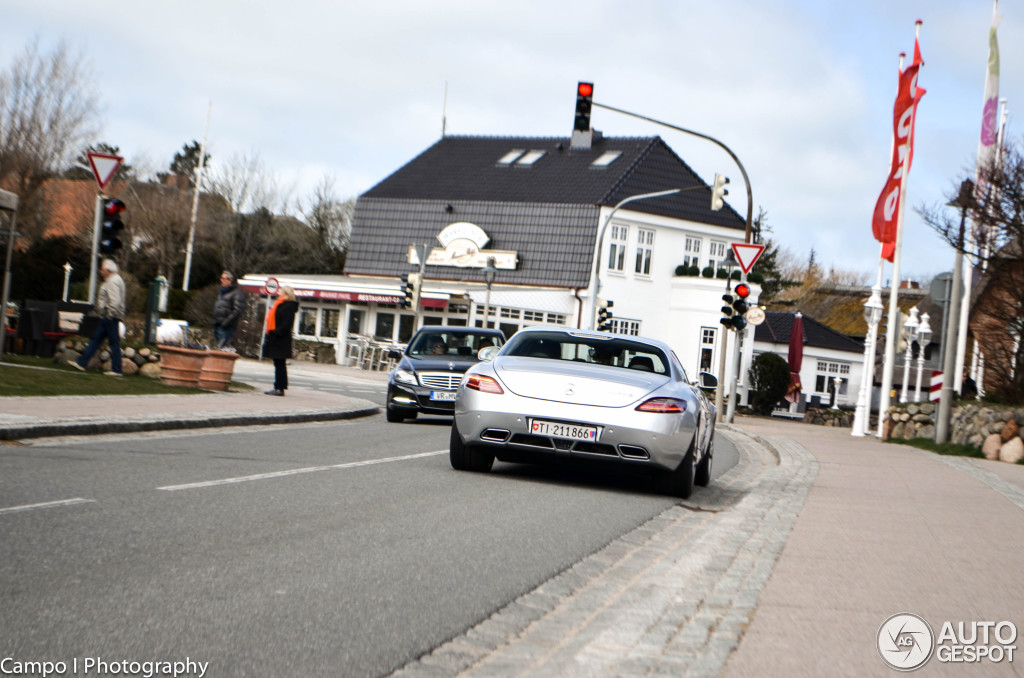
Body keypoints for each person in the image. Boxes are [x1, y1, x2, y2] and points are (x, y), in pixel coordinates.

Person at [68, 259, 126, 376]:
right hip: (110, 316)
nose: (101, 271)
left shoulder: (112, 281)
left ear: (108, 270)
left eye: (102, 269)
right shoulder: (114, 280)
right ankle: (82, 362)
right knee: (97, 339)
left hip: (110, 317)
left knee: (111, 342)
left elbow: (115, 301)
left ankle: (116, 369)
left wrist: (109, 313)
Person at [263, 286, 299, 396]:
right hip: (276, 338)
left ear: (286, 295)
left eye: (281, 291)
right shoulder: (279, 304)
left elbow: (287, 324)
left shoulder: (288, 307)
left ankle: (280, 388)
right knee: (278, 363)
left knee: (280, 364)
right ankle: (278, 387)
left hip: (281, 339)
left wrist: (276, 332)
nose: (278, 292)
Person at [212, 270, 246, 350]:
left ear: (230, 280)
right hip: (218, 325)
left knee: (222, 350)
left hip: (226, 327)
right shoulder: (223, 292)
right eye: (221, 278)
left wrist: (225, 323)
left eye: (224, 278)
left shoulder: (237, 293)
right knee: (218, 349)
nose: (221, 280)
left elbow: (237, 311)